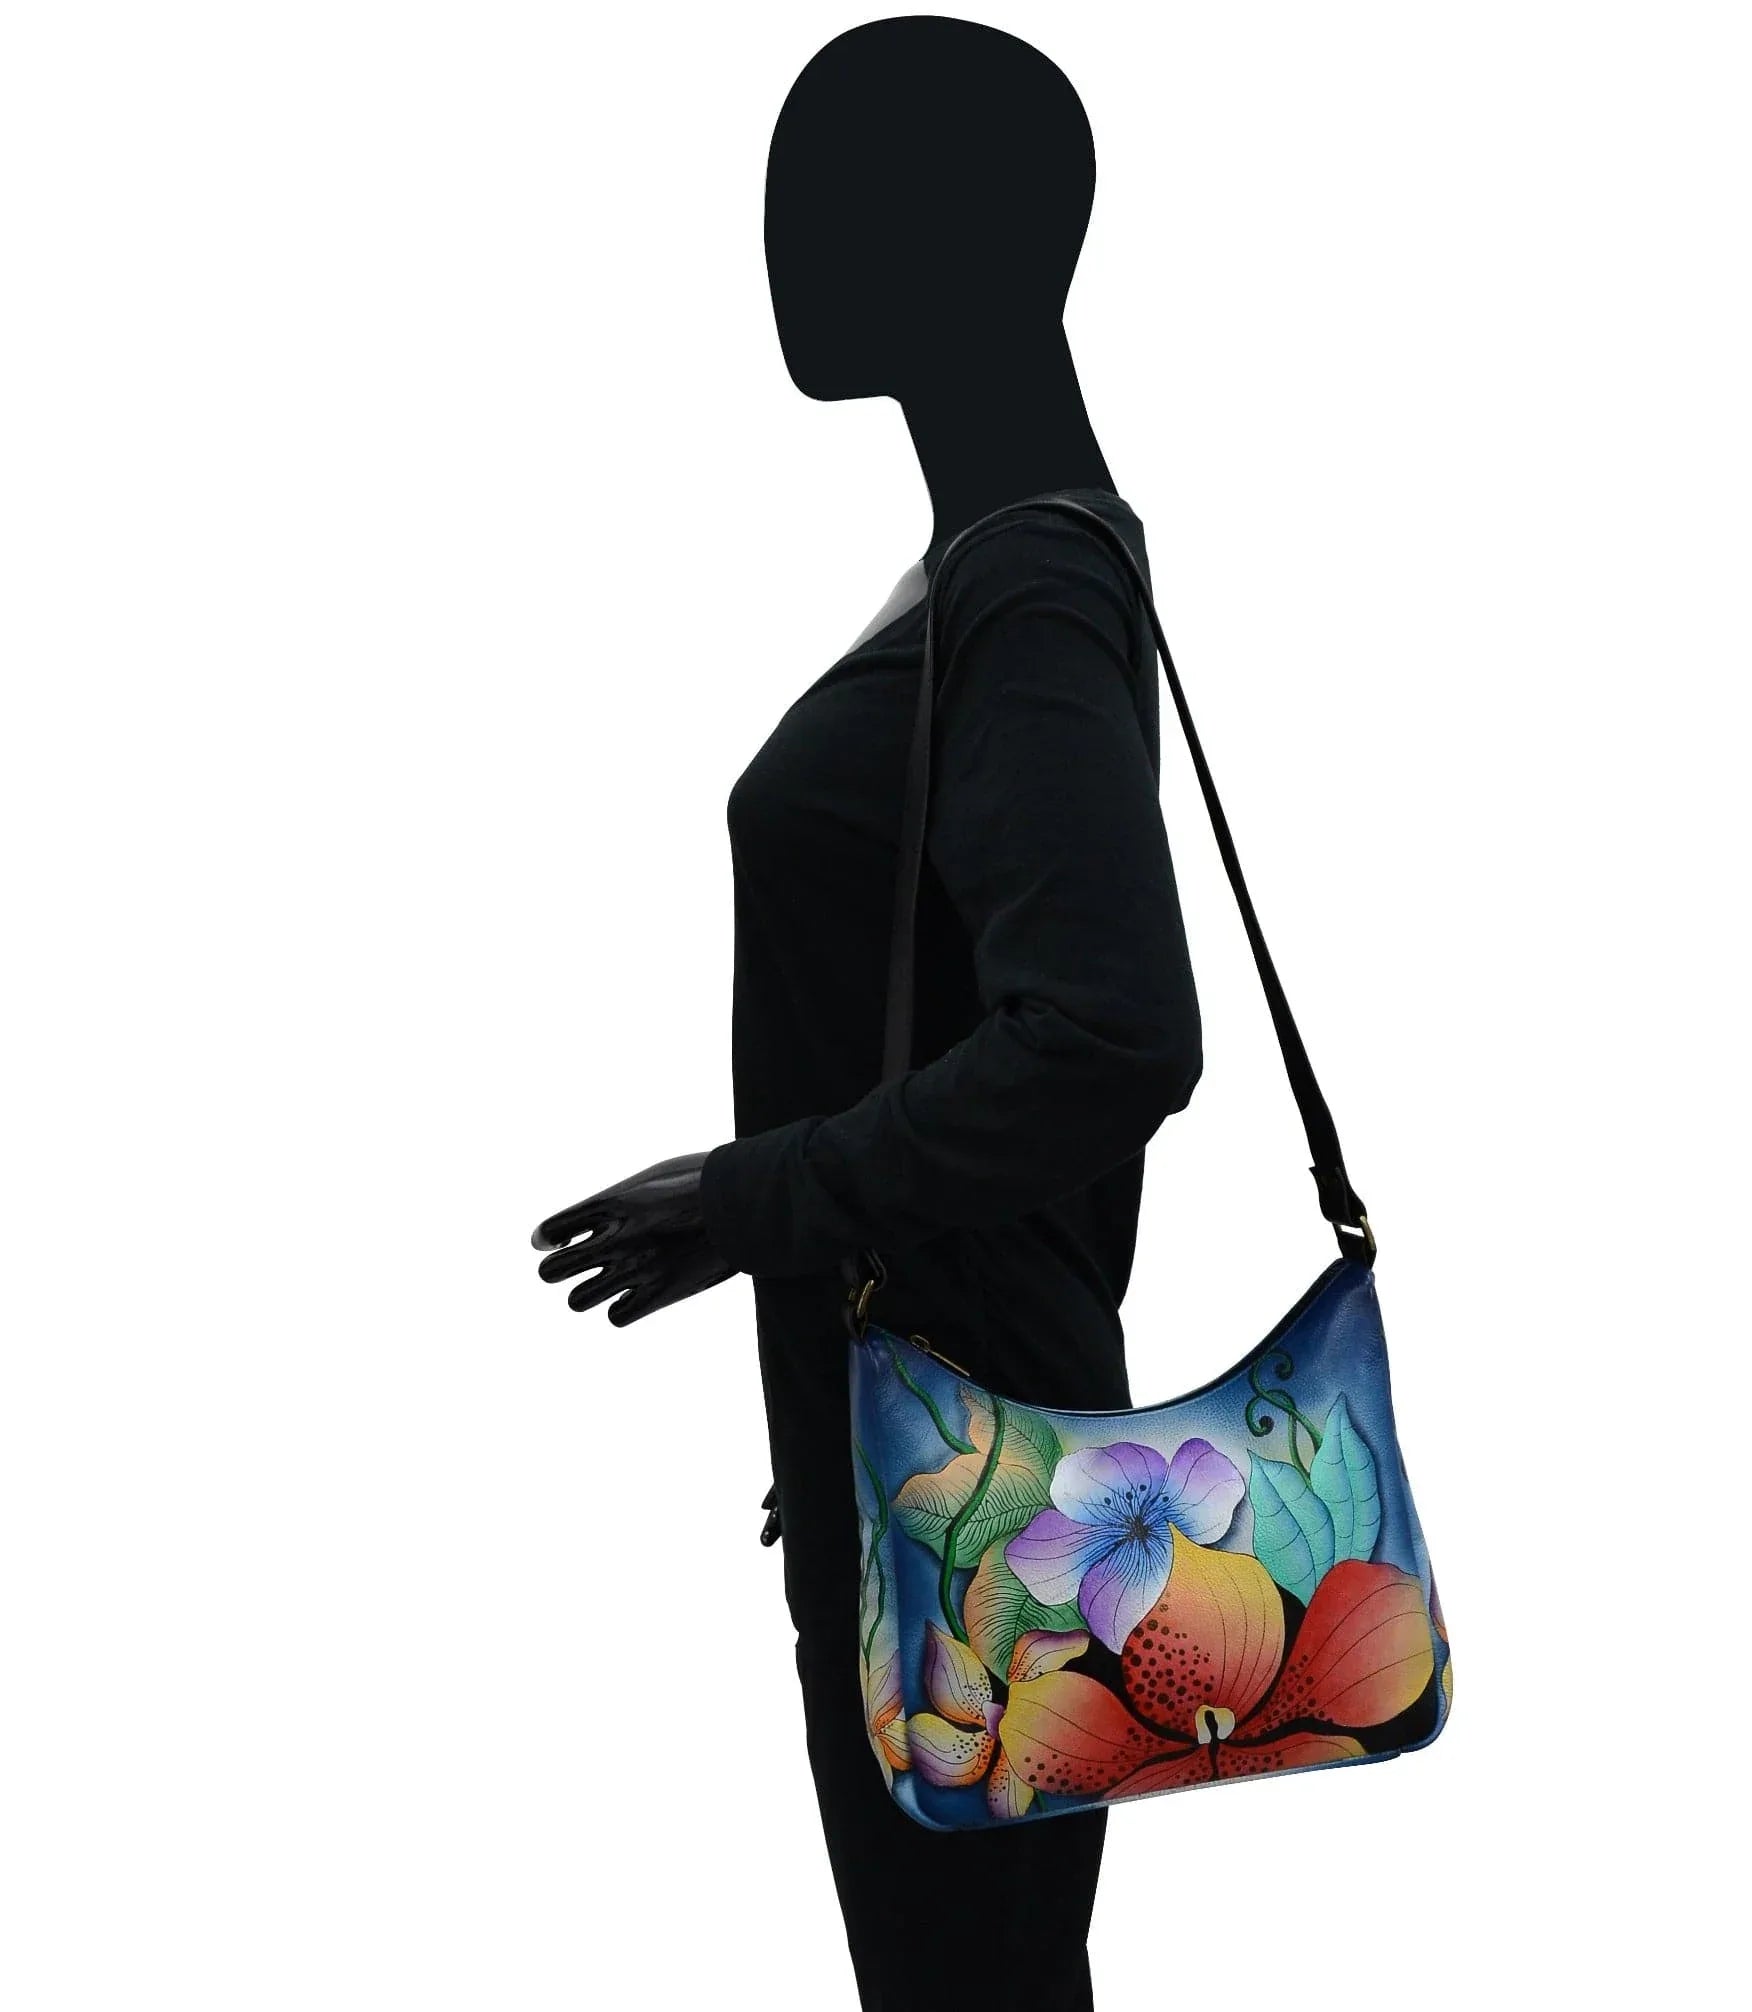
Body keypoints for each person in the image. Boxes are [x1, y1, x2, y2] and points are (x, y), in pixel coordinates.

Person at [532, 20, 1201, 2008]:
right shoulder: (999, 563)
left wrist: (753, 1200)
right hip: (932, 1439)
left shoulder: (1030, 584)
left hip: (981, 1478)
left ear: (978, 236)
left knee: (967, 1983)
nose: (779, 239)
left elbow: (1109, 1033)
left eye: (830, 193)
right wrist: (851, 1390)